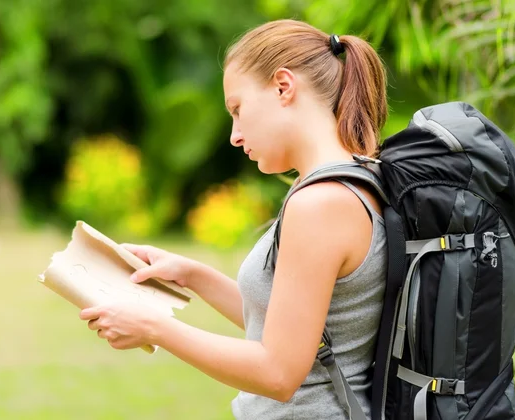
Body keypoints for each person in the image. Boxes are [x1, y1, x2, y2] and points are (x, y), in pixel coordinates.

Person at [79, 19, 388, 419]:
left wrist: (155, 328)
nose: (234, 135)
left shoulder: (322, 204)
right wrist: (192, 275)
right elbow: (288, 325)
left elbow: (278, 372)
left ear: (283, 87)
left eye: (238, 110)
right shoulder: (350, 179)